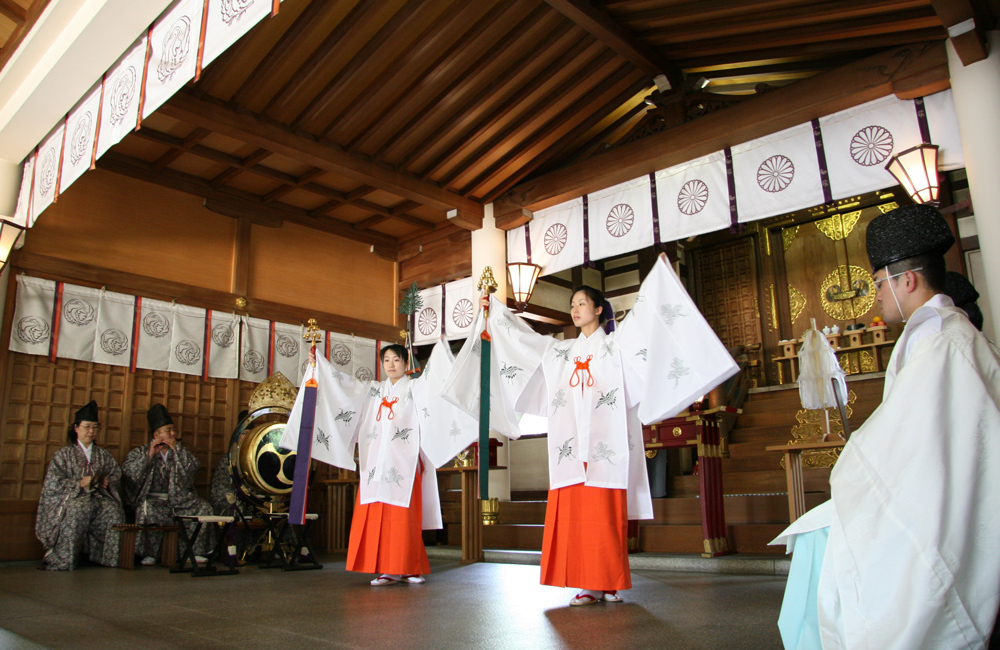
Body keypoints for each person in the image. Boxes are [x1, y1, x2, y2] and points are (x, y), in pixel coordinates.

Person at [445, 254, 737, 606]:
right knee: (580, 518)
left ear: (599, 309)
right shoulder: (560, 352)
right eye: (572, 305)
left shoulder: (615, 346)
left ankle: (607, 582)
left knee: (604, 518)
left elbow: (647, 327)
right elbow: (522, 343)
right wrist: (493, 312)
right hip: (570, 451)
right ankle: (588, 583)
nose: (575, 309)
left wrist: (660, 279)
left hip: (605, 449)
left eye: (582, 303)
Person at [773, 204, 1000, 649]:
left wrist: (855, 462)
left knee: (823, 545)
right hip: (945, 489)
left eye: (879, 283)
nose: (876, 296)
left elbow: (908, 442)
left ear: (907, 280)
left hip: (940, 504)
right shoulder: (946, 334)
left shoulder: (940, 342)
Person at [286, 340, 476, 586]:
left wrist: (440, 349)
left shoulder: (415, 388)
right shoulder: (373, 391)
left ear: (406, 363)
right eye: (386, 360)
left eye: (396, 359)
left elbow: (436, 385)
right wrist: (318, 367)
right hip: (375, 465)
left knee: (403, 519)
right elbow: (342, 387)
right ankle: (386, 570)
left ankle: (408, 569)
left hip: (404, 464)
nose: (391, 365)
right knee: (379, 518)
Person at [35, 401, 126, 570]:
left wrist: (108, 481)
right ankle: (64, 559)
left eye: (95, 427)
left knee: (114, 511)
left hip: (98, 497)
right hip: (73, 498)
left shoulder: (103, 455)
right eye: (87, 427)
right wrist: (78, 483)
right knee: (77, 509)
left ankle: (106, 558)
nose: (91, 431)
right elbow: (53, 482)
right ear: (76, 428)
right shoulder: (63, 454)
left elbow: (116, 474)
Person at [122, 404, 214, 565]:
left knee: (204, 507)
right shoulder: (141, 452)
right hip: (154, 499)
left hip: (180, 499)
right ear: (156, 434)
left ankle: (193, 551)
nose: (173, 434)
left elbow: (193, 467)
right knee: (147, 509)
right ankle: (150, 554)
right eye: (168, 430)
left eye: (173, 430)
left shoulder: (179, 450)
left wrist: (177, 450)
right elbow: (130, 473)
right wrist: (149, 455)